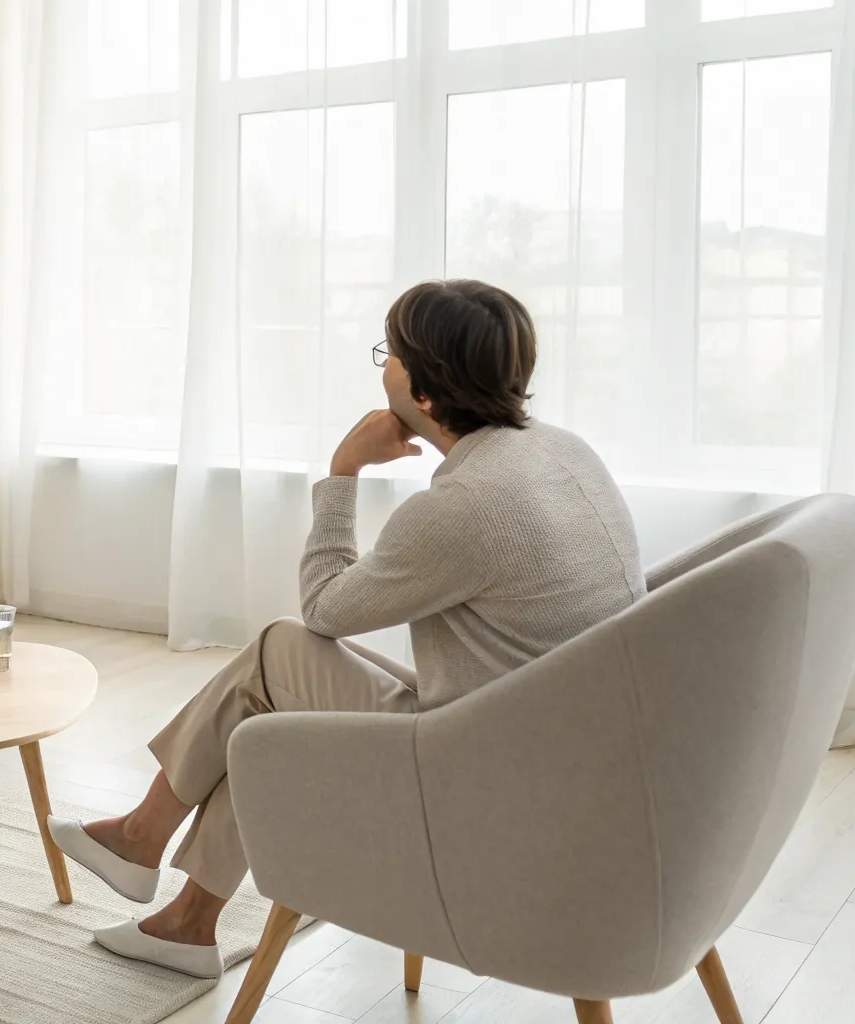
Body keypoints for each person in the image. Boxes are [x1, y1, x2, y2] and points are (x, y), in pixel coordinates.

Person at [47, 279, 646, 978]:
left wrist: (344, 469)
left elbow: (324, 610)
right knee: (268, 707)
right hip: (561, 751)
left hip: (479, 775)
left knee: (276, 654)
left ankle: (145, 840)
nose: (383, 366)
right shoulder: (565, 451)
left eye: (389, 354)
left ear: (423, 393)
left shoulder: (466, 505)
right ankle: (181, 918)